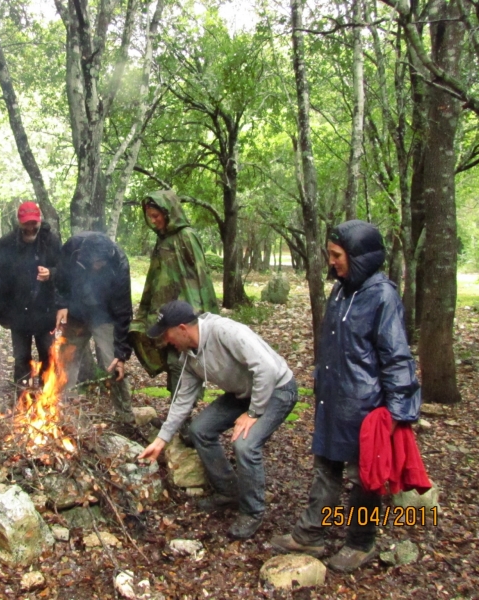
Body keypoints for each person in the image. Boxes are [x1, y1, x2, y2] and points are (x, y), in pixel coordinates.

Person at [270, 220, 421, 572]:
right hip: (333, 400)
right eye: (330, 254)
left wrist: (400, 411)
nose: (332, 262)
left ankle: (360, 542)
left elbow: (396, 355)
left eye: (337, 255)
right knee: (325, 467)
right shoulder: (340, 290)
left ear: (358, 256)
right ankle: (310, 534)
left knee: (364, 477)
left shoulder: (382, 295)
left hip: (366, 408)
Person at [139, 300, 298, 540]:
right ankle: (228, 491)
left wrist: (253, 413)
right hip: (243, 393)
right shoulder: (189, 358)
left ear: (182, 328)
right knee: (199, 429)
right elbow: (182, 401)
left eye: (168, 334)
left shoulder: (225, 331)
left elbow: (266, 368)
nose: (166, 341)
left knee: (245, 444)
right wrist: (161, 441)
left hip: (277, 389)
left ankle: (252, 512)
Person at [129, 190, 219, 394]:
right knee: (171, 362)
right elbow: (154, 279)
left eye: (156, 216)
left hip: (187, 315)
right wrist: (144, 313)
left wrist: (209, 317)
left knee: (181, 363)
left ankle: (182, 416)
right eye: (149, 217)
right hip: (166, 315)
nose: (152, 221)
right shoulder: (162, 241)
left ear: (168, 212)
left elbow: (201, 277)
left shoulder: (187, 236)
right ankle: (176, 413)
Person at [55, 231, 135, 424]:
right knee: (66, 360)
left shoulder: (119, 263)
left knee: (113, 363)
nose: (96, 266)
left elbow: (124, 310)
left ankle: (125, 416)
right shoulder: (73, 248)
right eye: (92, 262)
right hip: (75, 314)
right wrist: (62, 304)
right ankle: (61, 412)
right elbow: (60, 277)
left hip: (105, 316)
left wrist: (122, 353)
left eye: (100, 262)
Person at [0, 202, 61, 391]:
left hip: (46, 312)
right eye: (26, 223)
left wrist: (51, 273)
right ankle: (22, 399)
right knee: (21, 358)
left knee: (48, 355)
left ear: (39, 221)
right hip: (18, 313)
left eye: (33, 223)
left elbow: (64, 271)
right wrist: (1, 314)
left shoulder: (51, 241)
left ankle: (47, 397)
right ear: (19, 222)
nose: (30, 228)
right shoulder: (6, 244)